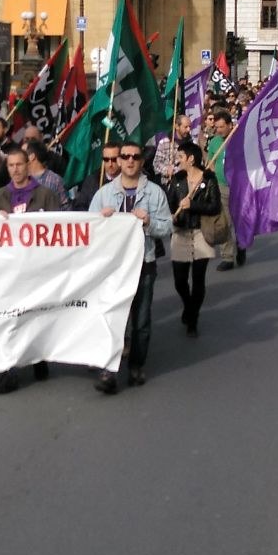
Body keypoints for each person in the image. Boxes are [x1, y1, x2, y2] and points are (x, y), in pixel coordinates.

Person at [89, 139, 173, 393]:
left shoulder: (154, 193)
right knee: (111, 318)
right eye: (124, 156)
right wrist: (100, 220)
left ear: (141, 161)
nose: (129, 161)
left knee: (141, 320)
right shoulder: (104, 193)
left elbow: (167, 227)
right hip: (112, 268)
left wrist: (148, 222)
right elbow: (89, 228)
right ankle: (109, 369)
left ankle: (136, 365)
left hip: (142, 265)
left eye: (135, 157)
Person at [0, 145, 60, 394]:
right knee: (9, 318)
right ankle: (10, 371)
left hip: (37, 268)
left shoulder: (45, 195)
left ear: (28, 165)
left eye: (19, 164)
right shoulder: (0, 196)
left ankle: (39, 358)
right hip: (9, 270)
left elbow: (58, 232)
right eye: (11, 165)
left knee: (36, 315)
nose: (15, 170)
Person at [165, 141, 221, 337]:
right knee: (180, 281)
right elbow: (169, 204)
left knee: (198, 280)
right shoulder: (177, 180)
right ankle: (188, 306)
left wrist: (193, 206)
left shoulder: (209, 179)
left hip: (200, 233)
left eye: (181, 157)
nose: (178, 161)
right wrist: (174, 213)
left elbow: (215, 207)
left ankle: (193, 319)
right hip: (180, 233)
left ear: (191, 159)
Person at [206, 109, 244, 271]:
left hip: (239, 187)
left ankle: (242, 244)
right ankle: (227, 257)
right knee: (225, 222)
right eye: (217, 127)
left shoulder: (238, 139)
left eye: (222, 127)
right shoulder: (214, 142)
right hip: (221, 186)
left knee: (239, 220)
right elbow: (210, 162)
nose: (219, 130)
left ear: (230, 125)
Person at [71, 143, 121, 211]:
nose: (110, 164)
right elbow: (80, 207)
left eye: (114, 159)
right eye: (106, 159)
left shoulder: (128, 180)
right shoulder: (91, 181)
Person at [24, 140, 68, 208]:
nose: (19, 156)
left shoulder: (55, 180)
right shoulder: (18, 181)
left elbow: (66, 208)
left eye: (22, 153)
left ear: (32, 156)